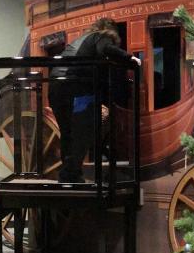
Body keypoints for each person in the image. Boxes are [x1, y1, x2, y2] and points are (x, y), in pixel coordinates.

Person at [48, 18, 140, 183]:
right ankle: (70, 173)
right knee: (84, 129)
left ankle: (70, 176)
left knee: (67, 133)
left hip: (56, 86)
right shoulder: (102, 36)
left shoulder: (81, 40)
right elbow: (105, 48)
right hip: (75, 86)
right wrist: (129, 58)